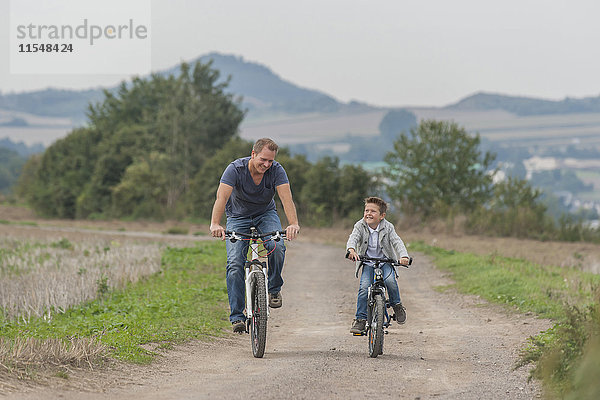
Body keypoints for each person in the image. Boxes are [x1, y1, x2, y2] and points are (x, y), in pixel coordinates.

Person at [210, 138, 300, 333]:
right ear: (253, 154)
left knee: (277, 245)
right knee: (235, 263)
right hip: (237, 216)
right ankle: (237, 317)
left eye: (270, 161)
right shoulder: (235, 169)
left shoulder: (277, 170)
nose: (267, 165)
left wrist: (293, 224)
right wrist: (215, 224)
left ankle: (274, 288)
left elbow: (286, 198)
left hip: (265, 215)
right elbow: (221, 197)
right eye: (263, 160)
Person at [346, 196, 410, 334]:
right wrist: (351, 250)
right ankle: (360, 320)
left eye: (373, 211)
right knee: (364, 288)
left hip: (385, 262)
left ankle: (397, 305)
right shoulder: (360, 225)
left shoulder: (388, 227)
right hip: (368, 262)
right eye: (366, 210)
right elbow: (353, 238)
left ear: (382, 216)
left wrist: (403, 256)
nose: (368, 213)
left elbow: (397, 242)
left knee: (391, 281)